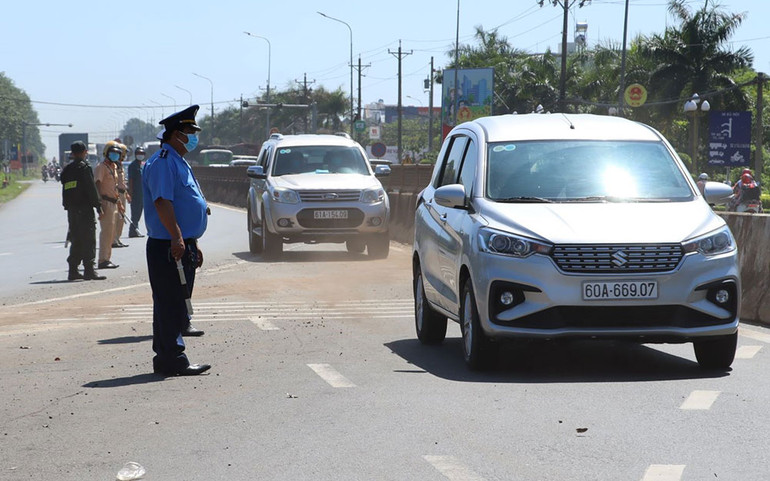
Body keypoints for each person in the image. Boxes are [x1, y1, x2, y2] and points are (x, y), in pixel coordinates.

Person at [143, 105, 210, 376]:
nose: (192, 137)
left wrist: (191, 241)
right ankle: (173, 359)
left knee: (173, 302)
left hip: (179, 242)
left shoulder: (177, 160)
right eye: (188, 132)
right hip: (167, 245)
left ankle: (166, 357)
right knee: (170, 302)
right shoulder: (162, 161)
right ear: (173, 135)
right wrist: (178, 238)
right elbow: (162, 202)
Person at [60, 141, 106, 281]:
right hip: (84, 209)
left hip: (72, 210)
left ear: (72, 153)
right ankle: (89, 270)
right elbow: (91, 189)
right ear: (84, 152)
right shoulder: (84, 168)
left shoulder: (67, 169)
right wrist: (98, 206)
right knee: (88, 239)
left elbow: (65, 186)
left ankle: (73, 270)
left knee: (76, 239)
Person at [94, 142, 121, 269]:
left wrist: (119, 203)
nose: (115, 155)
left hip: (114, 202)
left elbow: (114, 186)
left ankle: (107, 258)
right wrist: (99, 203)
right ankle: (103, 260)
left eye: (117, 153)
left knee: (111, 232)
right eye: (112, 153)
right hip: (105, 202)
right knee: (106, 232)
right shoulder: (101, 167)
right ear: (106, 153)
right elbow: (98, 184)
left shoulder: (114, 167)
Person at [112, 143, 130, 248]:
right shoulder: (114, 165)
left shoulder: (120, 165)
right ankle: (113, 239)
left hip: (122, 193)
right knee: (117, 217)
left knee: (121, 217)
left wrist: (126, 194)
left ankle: (118, 238)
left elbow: (122, 182)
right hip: (117, 193)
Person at [128, 147, 146, 238]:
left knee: (139, 213)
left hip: (143, 194)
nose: (140, 155)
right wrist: (130, 193)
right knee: (135, 213)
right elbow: (130, 180)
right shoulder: (133, 166)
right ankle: (133, 231)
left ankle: (135, 229)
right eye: (139, 153)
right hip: (135, 194)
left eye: (142, 153)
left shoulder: (143, 165)